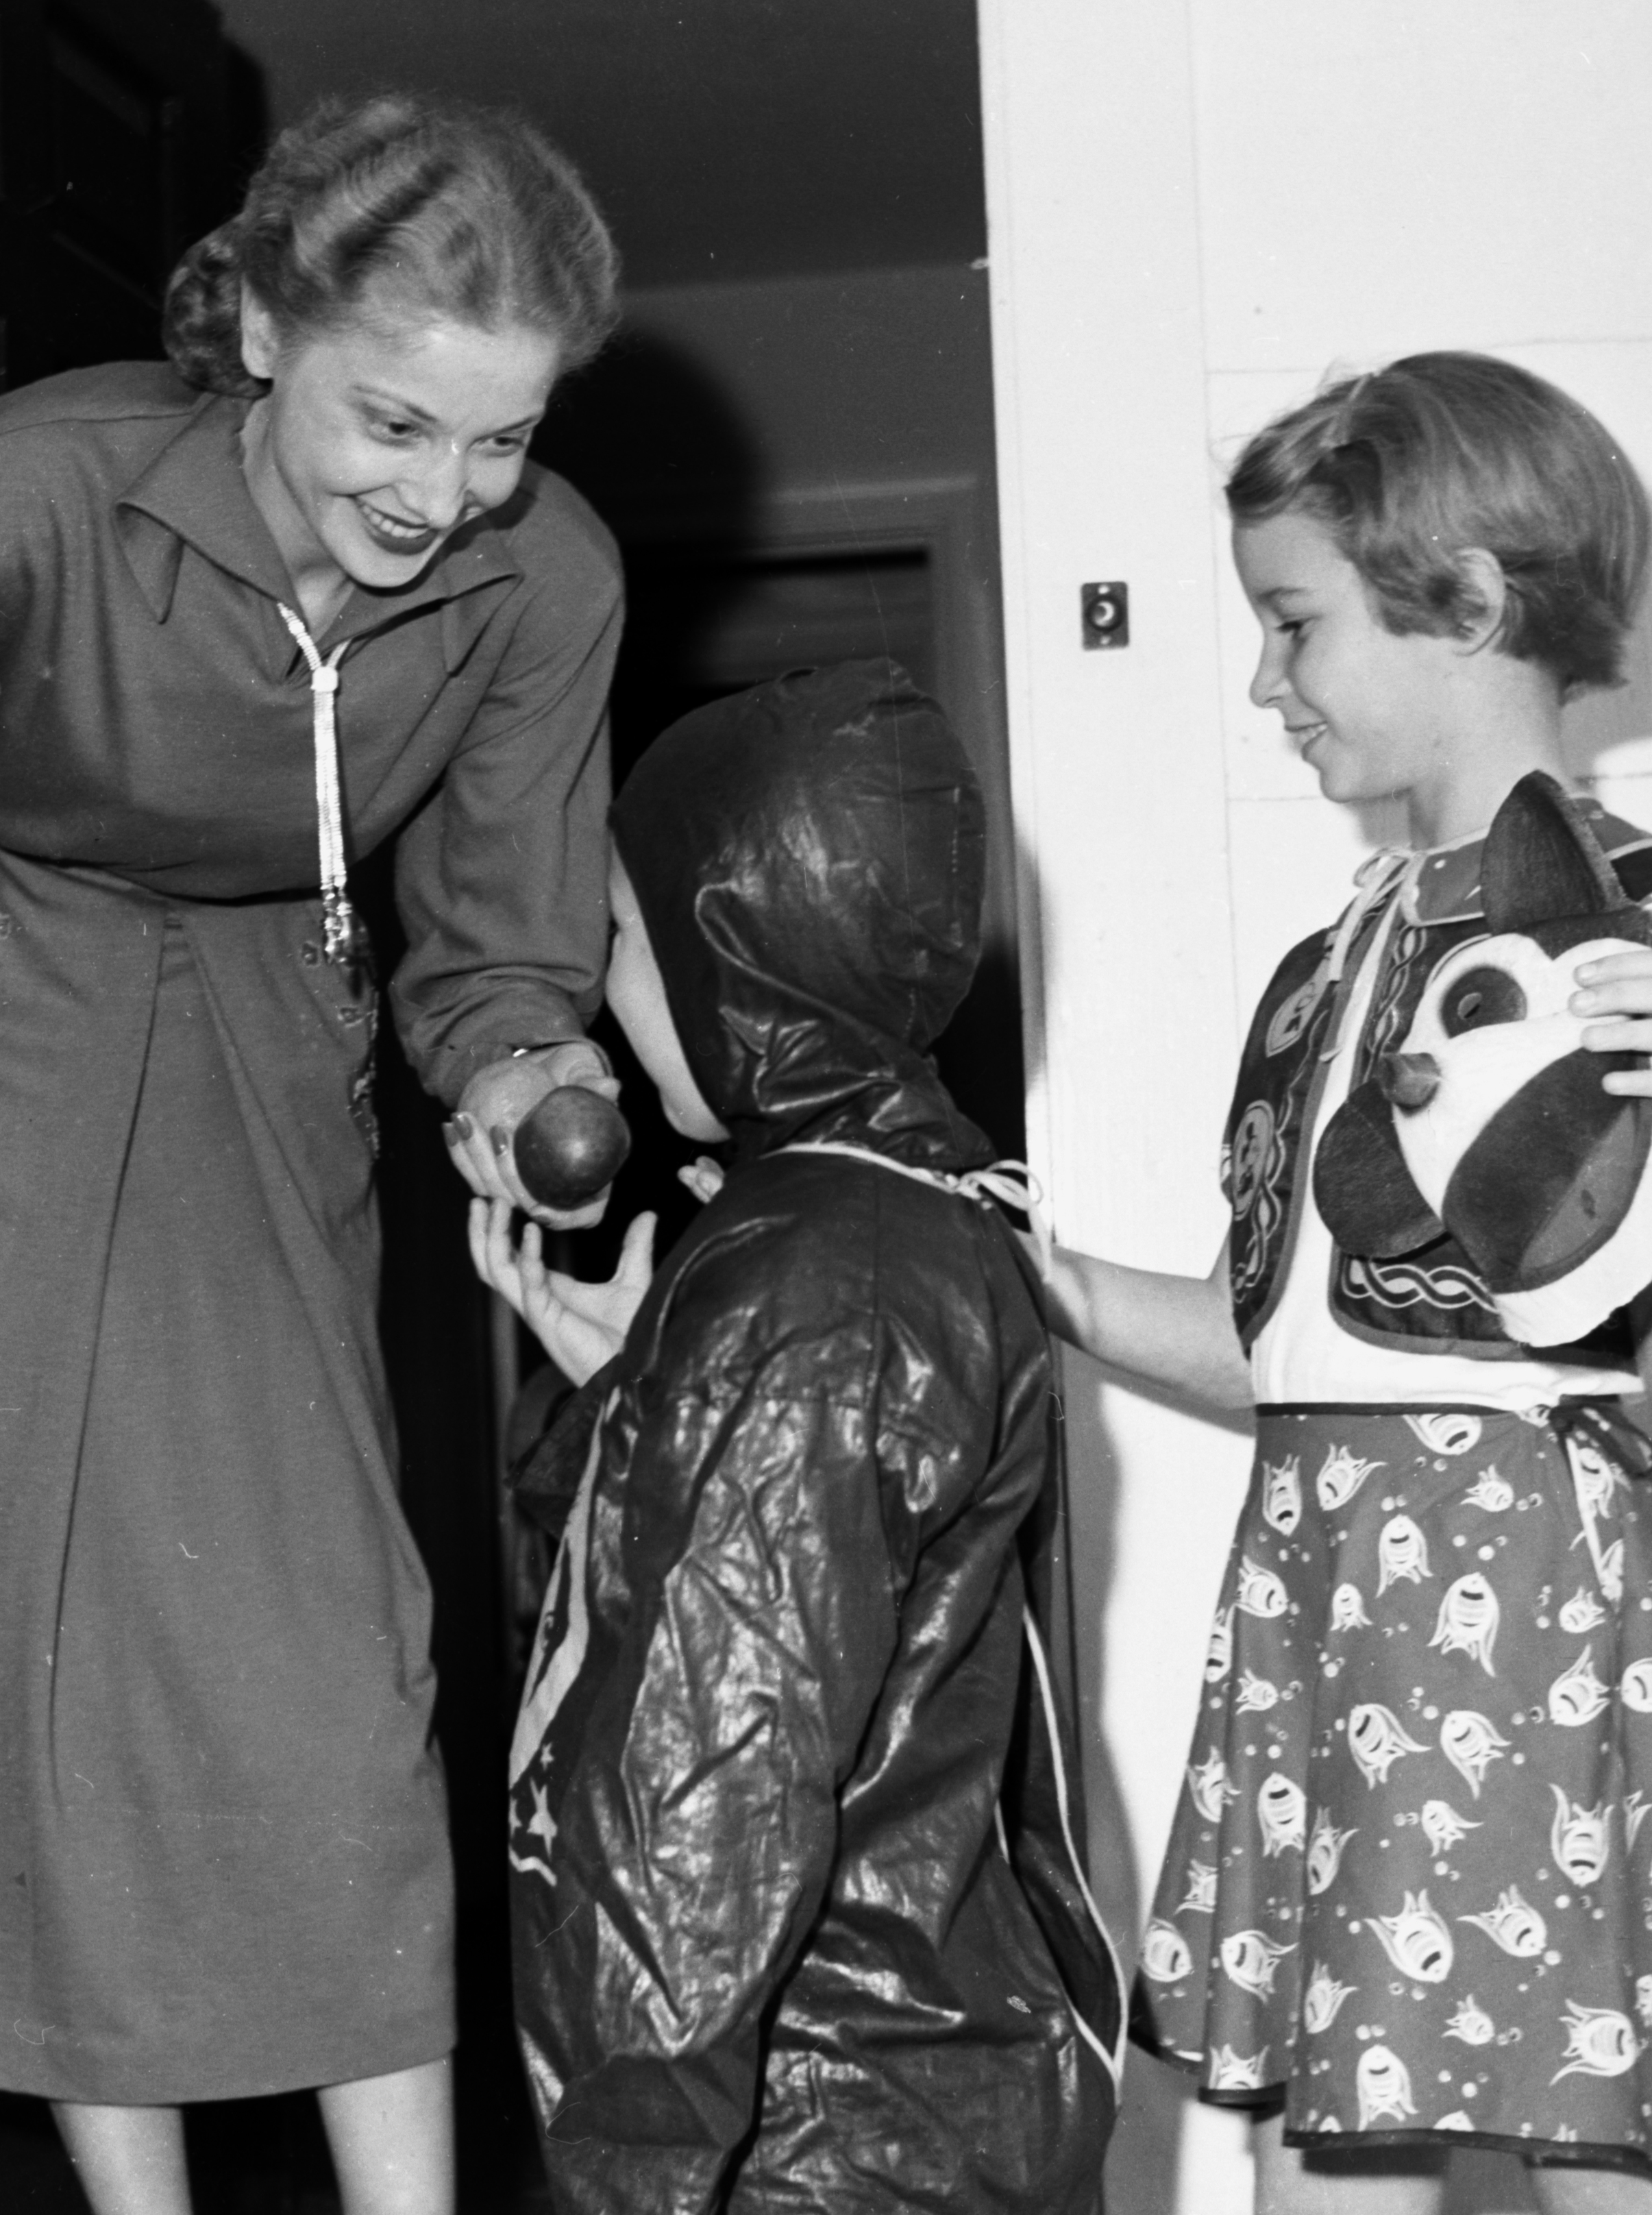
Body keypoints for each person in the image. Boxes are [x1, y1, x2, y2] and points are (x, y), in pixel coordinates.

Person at [0, 93, 625, 2215]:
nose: (447, 495)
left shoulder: (541, 578)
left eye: (500, 441)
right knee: (32, 1650)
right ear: (268, 330)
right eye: (398, 423)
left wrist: (511, 1068)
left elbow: (491, 946)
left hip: (275, 1039)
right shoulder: (28, 486)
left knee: (326, 1660)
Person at [1039, 353, 1652, 2208]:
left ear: (1464, 605)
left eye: (1290, 623)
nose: (1262, 681)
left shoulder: (1642, 937)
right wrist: (1043, 1285)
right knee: (1314, 2160)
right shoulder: (1342, 950)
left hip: (1543, 1606)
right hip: (1328, 1581)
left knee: (1607, 2140)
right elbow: (1299, 1360)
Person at [469, 660, 1124, 2212]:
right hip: (911, 2091)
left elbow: (703, 1771)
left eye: (625, 938)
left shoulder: (806, 1284)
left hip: (821, 2128)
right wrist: (633, 1385)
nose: (606, 994)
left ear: (736, 951)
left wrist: (627, 2172)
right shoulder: (894, 1223)